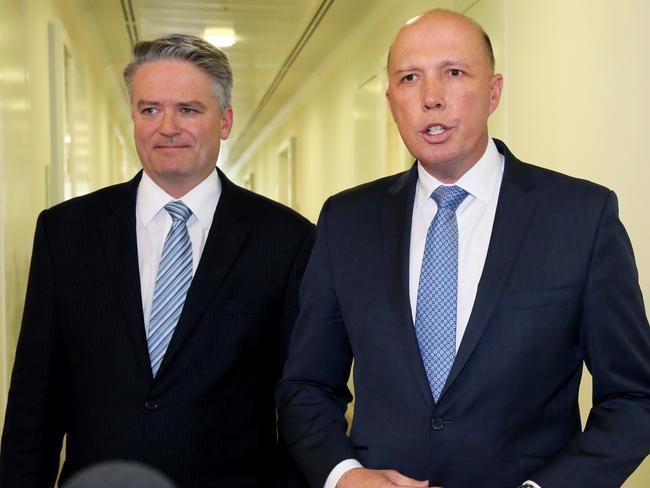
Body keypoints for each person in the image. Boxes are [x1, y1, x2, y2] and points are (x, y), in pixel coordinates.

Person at [276, 9, 650, 488]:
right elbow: (306, 386)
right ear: (391, 102)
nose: (431, 98)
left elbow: (633, 399)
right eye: (410, 79)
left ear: (493, 92)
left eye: (453, 73)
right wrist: (344, 476)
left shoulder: (580, 217)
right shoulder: (346, 222)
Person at [0, 34, 314, 487]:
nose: (167, 127)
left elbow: (300, 402)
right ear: (133, 117)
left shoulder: (287, 239)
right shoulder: (66, 232)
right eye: (150, 109)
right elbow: (36, 397)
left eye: (188, 109)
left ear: (224, 121)